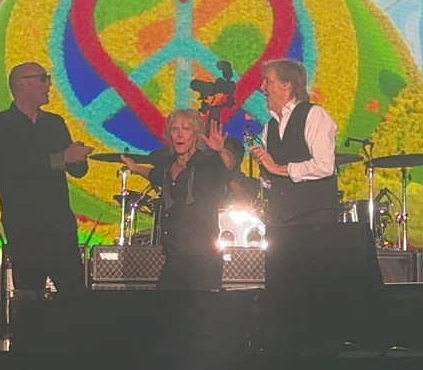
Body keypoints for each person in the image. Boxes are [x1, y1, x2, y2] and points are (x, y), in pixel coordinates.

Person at [0, 62, 92, 298]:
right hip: (25, 228)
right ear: (22, 84)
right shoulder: (2, 124)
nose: (49, 85)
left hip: (59, 227)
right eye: (43, 79)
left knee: (75, 297)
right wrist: (61, 158)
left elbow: (77, 170)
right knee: (29, 298)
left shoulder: (54, 123)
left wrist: (76, 157)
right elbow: (15, 165)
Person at [124, 110, 231, 291]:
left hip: (202, 258)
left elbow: (228, 167)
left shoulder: (207, 164)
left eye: (186, 129)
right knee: (166, 304)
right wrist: (134, 168)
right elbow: (154, 174)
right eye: (175, 129)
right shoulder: (167, 166)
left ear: (195, 135)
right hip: (174, 255)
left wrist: (221, 151)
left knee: (200, 307)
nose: (180, 135)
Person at [249, 59, 338, 224]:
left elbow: (324, 166)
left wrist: (276, 168)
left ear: (286, 85)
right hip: (281, 219)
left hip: (314, 219)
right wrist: (264, 166)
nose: (262, 87)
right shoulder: (270, 126)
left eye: (267, 81)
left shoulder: (314, 114)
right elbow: (273, 178)